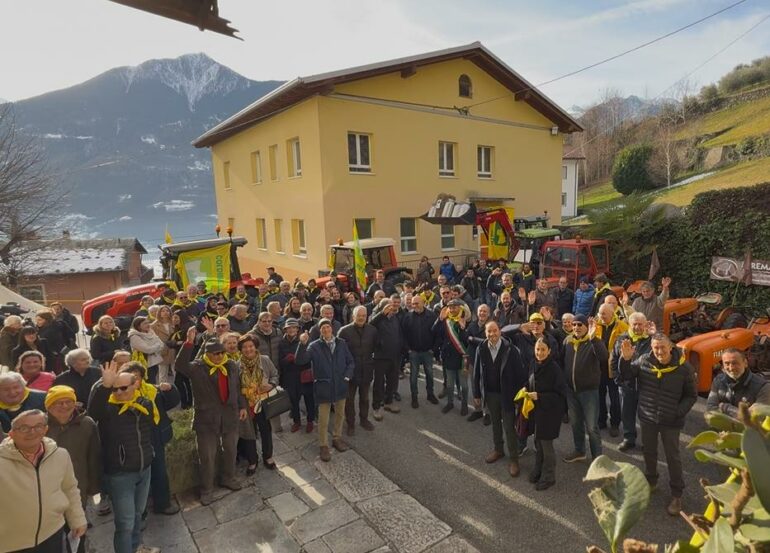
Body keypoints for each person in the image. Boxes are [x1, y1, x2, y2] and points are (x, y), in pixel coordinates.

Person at [619, 333, 697, 516]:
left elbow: (691, 396)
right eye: (655, 348)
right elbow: (627, 376)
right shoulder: (644, 360)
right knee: (649, 451)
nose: (659, 351)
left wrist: (677, 412)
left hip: (671, 421)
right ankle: (651, 481)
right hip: (648, 417)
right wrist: (626, 359)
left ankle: (677, 494)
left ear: (671, 347)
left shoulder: (684, 368)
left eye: (663, 347)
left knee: (673, 457)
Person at [89, 362, 157, 553]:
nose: (118, 392)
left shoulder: (144, 404)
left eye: (123, 388)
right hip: (121, 475)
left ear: (135, 385)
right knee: (125, 523)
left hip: (144, 468)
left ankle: (137, 547)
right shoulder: (108, 410)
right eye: (115, 388)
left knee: (138, 514)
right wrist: (104, 387)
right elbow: (93, 412)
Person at [0, 409, 87, 553]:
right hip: (11, 543)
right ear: (11, 433)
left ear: (46, 429)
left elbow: (70, 489)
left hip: (52, 535)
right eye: (24, 428)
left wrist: (77, 519)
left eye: (38, 426)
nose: (32, 432)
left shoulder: (60, 455)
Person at [175, 331, 247, 505]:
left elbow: (238, 387)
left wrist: (242, 405)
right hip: (206, 419)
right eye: (215, 353)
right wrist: (188, 344)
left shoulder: (231, 365)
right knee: (207, 455)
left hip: (229, 416)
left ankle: (228, 477)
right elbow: (180, 366)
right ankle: (206, 489)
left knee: (231, 449)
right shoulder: (197, 368)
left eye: (222, 352)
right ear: (207, 354)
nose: (219, 356)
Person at [45, 385, 101, 552]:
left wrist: (94, 488)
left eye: (68, 401)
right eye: (58, 402)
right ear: (48, 406)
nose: (64, 406)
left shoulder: (87, 424)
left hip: (77, 489)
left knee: (77, 532)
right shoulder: (39, 426)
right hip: (48, 492)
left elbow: (94, 457)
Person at [120, 363, 181, 516]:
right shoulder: (119, 397)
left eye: (137, 378)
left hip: (155, 438)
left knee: (160, 471)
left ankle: (162, 503)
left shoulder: (153, 390)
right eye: (130, 379)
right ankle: (140, 511)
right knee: (138, 477)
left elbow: (172, 402)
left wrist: (170, 389)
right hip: (134, 443)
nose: (135, 382)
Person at [472, 321, 526, 478]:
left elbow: (520, 374)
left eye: (495, 331)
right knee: (495, 423)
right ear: (485, 333)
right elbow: (477, 372)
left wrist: (519, 397)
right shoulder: (481, 348)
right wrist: (476, 394)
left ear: (500, 332)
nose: (492, 334)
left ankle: (514, 459)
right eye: (489, 332)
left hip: (507, 395)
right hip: (490, 394)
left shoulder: (511, 350)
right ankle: (498, 450)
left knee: (509, 427)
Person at [296, 320, 354, 462]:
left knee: (340, 414)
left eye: (328, 327)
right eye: (323, 328)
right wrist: (301, 344)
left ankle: (336, 438)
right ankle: (323, 445)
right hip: (324, 385)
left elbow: (350, 362)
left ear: (332, 328)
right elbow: (300, 361)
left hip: (340, 384)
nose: (326, 329)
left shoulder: (341, 343)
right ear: (320, 331)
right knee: (323, 418)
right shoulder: (314, 346)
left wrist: (347, 376)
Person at [561, 314, 607, 463]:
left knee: (592, 427)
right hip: (571, 391)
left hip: (589, 392)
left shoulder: (593, 342)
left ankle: (598, 459)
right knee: (576, 424)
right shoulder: (567, 341)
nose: (576, 327)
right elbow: (562, 362)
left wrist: (593, 338)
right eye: (574, 325)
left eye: (580, 324)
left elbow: (603, 357)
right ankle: (580, 451)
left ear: (586, 327)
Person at [526, 338, 569, 490]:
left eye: (543, 350)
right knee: (538, 443)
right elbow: (529, 381)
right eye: (537, 349)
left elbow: (560, 395)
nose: (539, 353)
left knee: (546, 446)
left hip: (549, 414)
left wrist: (540, 396)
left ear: (549, 351)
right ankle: (538, 469)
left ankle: (549, 476)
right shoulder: (533, 363)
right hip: (536, 412)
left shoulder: (554, 369)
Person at [237, 334, 278, 475]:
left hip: (263, 402)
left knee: (265, 430)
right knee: (249, 434)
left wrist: (271, 384)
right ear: (240, 350)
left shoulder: (264, 360)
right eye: (244, 347)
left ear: (255, 347)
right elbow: (236, 388)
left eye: (251, 346)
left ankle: (268, 456)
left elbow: (275, 375)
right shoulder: (237, 365)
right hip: (247, 405)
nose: (248, 349)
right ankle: (252, 461)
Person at [611, 312, 653, 452]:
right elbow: (614, 359)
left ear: (645, 325)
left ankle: (648, 442)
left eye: (640, 324)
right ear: (630, 324)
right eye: (634, 324)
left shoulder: (652, 340)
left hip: (646, 386)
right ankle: (629, 439)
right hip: (627, 385)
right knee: (627, 414)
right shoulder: (621, 338)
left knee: (647, 417)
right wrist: (618, 379)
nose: (637, 327)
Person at [338, 306, 378, 434]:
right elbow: (339, 354)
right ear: (353, 316)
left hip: (366, 369)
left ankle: (364, 419)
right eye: (359, 315)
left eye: (364, 315)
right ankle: (350, 424)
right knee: (349, 400)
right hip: (350, 373)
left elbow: (375, 348)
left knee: (365, 398)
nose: (361, 318)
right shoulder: (344, 331)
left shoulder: (372, 330)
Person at [595, 303, 628, 438]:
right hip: (598, 368)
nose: (601, 316)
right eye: (600, 313)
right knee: (599, 396)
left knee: (614, 398)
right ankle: (601, 420)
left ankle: (615, 424)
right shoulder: (595, 325)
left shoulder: (622, 326)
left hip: (613, 368)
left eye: (604, 314)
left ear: (612, 314)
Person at [707, 348, 770, 416]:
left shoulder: (763, 387)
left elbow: (755, 417)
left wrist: (725, 407)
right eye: (727, 364)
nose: (731, 368)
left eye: (735, 363)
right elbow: (711, 409)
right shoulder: (718, 381)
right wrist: (740, 413)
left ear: (745, 363)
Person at [401, 296, 439, 409]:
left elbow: (437, 334)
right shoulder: (407, 317)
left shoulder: (432, 316)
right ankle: (414, 397)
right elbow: (403, 335)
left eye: (417, 303)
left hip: (428, 351)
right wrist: (408, 349)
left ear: (423, 303)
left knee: (430, 375)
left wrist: (433, 349)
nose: (415, 306)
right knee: (413, 377)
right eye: (413, 304)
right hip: (414, 352)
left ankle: (430, 394)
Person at [279, 319, 315, 434]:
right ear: (285, 329)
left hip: (304, 373)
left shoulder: (304, 339)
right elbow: (280, 361)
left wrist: (299, 359)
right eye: (289, 328)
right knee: (293, 400)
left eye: (294, 327)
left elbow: (310, 356)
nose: (291, 330)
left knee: (309, 399)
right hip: (290, 376)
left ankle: (310, 420)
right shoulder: (282, 342)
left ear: (297, 329)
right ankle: (296, 421)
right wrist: (286, 360)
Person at [434, 299, 470, 415]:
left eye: (455, 307)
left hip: (461, 359)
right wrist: (439, 319)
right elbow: (434, 331)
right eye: (450, 307)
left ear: (460, 308)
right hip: (448, 357)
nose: (453, 309)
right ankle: (450, 403)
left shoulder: (465, 320)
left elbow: (467, 341)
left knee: (464, 386)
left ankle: (464, 405)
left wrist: (463, 329)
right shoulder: (445, 321)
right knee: (449, 385)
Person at [370, 298, 404, 419]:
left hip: (394, 356)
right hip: (380, 357)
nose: (392, 308)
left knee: (392, 381)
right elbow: (370, 325)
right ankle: (376, 407)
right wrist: (382, 314)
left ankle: (388, 402)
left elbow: (399, 334)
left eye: (392, 306)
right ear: (382, 307)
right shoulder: (377, 318)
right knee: (379, 384)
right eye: (388, 306)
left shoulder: (395, 318)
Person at [466, 304, 491, 424]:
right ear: (477, 312)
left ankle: (488, 412)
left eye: (485, 311)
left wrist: (473, 339)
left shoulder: (491, 326)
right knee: (474, 385)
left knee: (486, 386)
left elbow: (489, 342)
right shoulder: (471, 325)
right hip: (473, 360)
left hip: (487, 362)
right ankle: (478, 410)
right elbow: (467, 339)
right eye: (480, 311)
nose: (482, 313)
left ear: (488, 313)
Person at [128, 317, 164, 384]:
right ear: (138, 326)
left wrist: (154, 346)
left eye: (148, 323)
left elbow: (162, 344)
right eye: (145, 323)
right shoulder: (134, 336)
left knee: (154, 383)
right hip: (145, 365)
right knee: (149, 383)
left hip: (154, 363)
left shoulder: (150, 332)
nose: (148, 325)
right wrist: (156, 346)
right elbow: (147, 350)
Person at [36, 310, 72, 374]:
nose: (37, 322)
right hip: (59, 354)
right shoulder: (50, 327)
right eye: (37, 320)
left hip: (55, 357)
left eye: (40, 320)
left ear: (46, 320)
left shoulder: (50, 331)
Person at [150, 305, 175, 384]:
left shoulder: (174, 322)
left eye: (167, 311)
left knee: (177, 372)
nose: (165, 313)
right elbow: (152, 339)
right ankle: (164, 392)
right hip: (162, 351)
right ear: (159, 313)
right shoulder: (154, 325)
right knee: (163, 374)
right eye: (163, 311)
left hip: (174, 349)